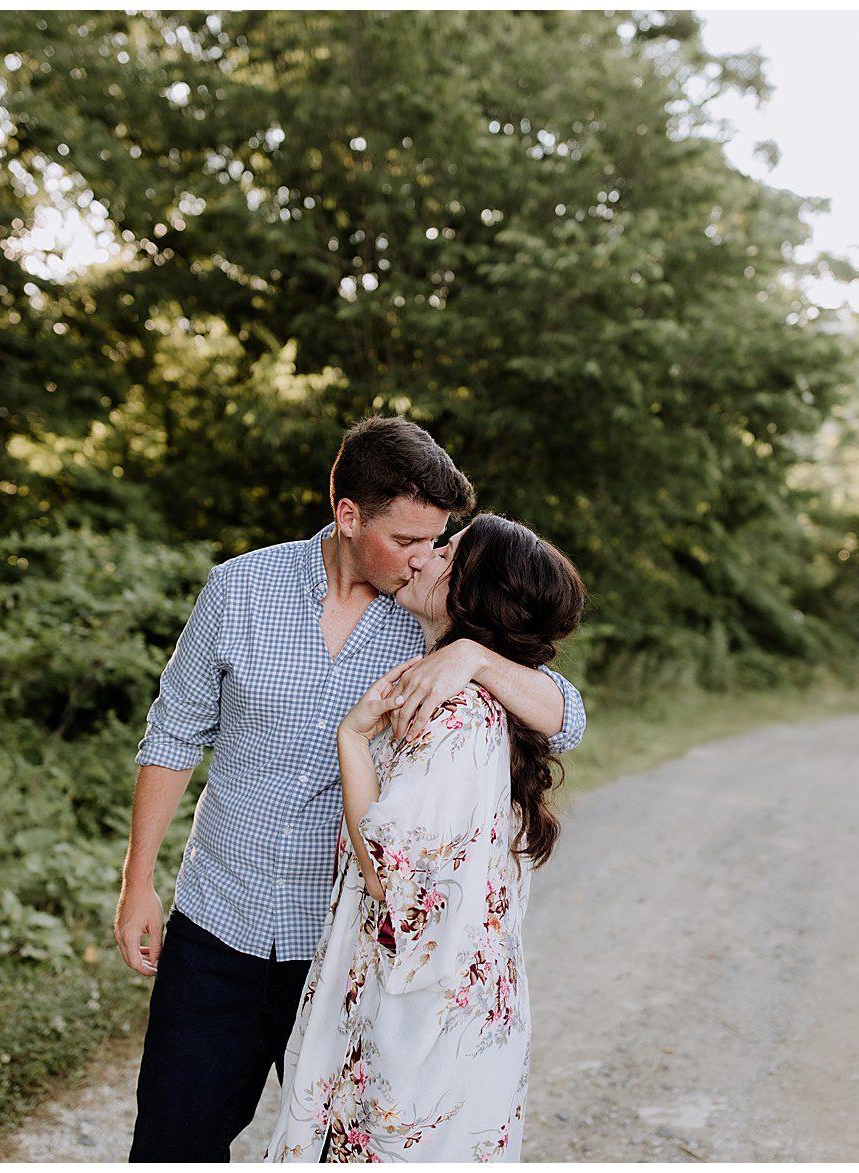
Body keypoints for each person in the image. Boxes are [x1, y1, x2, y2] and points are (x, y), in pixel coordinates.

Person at [116, 417, 586, 1162]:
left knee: (328, 1149)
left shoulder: (435, 618)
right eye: (406, 539)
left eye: (436, 540)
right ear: (348, 515)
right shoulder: (239, 589)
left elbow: (567, 719)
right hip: (219, 922)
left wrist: (474, 656)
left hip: (338, 951)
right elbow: (173, 735)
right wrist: (137, 881)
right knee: (171, 1145)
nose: (424, 556)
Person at [267, 514, 584, 1162]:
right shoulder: (455, 686)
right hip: (447, 999)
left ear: (472, 592)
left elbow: (393, 883)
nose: (426, 556)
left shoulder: (458, 715)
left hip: (420, 1011)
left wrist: (353, 740)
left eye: (447, 551)